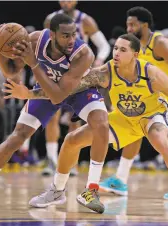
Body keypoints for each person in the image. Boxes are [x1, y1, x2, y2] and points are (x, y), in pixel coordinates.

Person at [4, 34, 168, 217]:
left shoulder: (151, 73)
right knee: (71, 141)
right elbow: (67, 88)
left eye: (122, 50)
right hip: (124, 119)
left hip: (152, 115)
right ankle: (57, 191)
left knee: (160, 139)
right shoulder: (106, 72)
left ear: (135, 55)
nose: (116, 52)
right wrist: (30, 94)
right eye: (115, 48)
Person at [0, 14, 109, 211]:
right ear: (52, 34)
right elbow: (9, 71)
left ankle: (91, 190)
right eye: (65, 35)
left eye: (73, 35)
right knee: (17, 137)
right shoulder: (34, 40)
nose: (71, 40)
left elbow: (59, 96)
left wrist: (33, 66)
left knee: (102, 124)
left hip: (79, 90)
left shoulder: (84, 54)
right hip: (45, 89)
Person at [99, 6, 168, 201]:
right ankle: (120, 180)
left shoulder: (160, 43)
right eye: (127, 24)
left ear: (144, 25)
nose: (128, 28)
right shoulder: (135, 47)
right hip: (161, 91)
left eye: (133, 24)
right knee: (136, 123)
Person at [41, 0, 111, 176]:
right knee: (51, 117)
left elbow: (104, 46)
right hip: (55, 74)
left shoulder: (85, 20)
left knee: (75, 121)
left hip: (78, 75)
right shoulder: (51, 19)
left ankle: (71, 163)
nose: (66, 2)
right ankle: (51, 160)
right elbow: (42, 45)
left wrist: (99, 60)